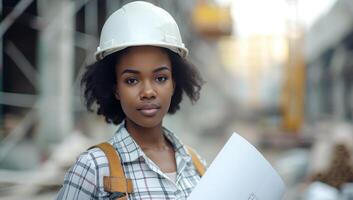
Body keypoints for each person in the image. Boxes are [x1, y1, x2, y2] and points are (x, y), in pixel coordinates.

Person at [56, 1, 205, 199]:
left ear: (174, 84)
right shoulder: (94, 168)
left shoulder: (196, 165)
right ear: (115, 88)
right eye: (132, 80)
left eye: (160, 78)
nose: (148, 92)